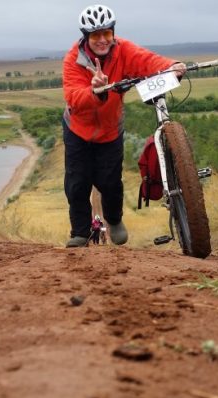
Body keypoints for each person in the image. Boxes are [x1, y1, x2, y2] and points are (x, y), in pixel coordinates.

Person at [63, 4, 186, 248]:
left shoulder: (123, 50)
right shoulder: (73, 60)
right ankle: (80, 232)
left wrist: (173, 65)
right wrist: (94, 90)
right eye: (95, 35)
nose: (102, 40)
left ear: (113, 33)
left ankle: (114, 220)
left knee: (110, 181)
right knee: (78, 182)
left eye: (106, 33)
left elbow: (147, 60)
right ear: (86, 37)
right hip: (78, 130)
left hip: (110, 130)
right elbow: (73, 97)